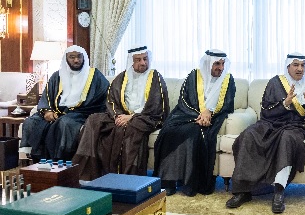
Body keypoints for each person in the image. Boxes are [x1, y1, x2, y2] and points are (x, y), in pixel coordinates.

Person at [226, 52, 305, 214]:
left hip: (295, 126)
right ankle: (242, 191)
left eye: (303, 65)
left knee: (287, 139)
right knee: (248, 135)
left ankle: (279, 192)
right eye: (296, 65)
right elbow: (265, 110)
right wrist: (285, 103)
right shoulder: (275, 82)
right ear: (288, 66)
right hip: (270, 123)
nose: (300, 69)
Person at [73, 45, 169, 180]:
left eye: (145, 59)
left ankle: (127, 177)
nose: (143, 63)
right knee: (93, 120)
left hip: (146, 117)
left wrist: (131, 117)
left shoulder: (155, 77)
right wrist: (118, 116)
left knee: (131, 128)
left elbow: (156, 106)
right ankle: (88, 172)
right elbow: (111, 100)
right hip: (121, 115)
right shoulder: (122, 78)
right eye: (138, 60)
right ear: (131, 61)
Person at [153, 49, 236, 196]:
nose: (221, 68)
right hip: (187, 114)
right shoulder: (194, 76)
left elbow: (227, 104)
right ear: (208, 63)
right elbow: (184, 100)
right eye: (217, 64)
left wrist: (209, 112)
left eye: (223, 64)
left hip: (212, 118)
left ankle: (190, 183)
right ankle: (167, 181)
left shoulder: (228, 80)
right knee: (168, 131)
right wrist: (198, 115)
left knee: (194, 132)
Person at [20, 45, 109, 161]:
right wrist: (47, 111)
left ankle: (60, 161)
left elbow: (103, 96)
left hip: (82, 113)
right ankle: (36, 160)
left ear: (84, 58)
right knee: (31, 121)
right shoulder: (57, 76)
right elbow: (47, 95)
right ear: (66, 58)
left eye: (79, 57)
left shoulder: (95, 75)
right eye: (72, 57)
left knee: (64, 123)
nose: (76, 60)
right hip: (56, 112)